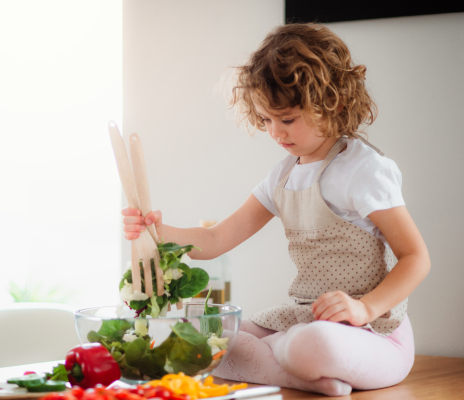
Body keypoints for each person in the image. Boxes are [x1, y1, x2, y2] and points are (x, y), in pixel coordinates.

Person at [121, 23, 430, 396]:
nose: (276, 133)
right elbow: (216, 238)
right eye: (266, 120)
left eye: (287, 119)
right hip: (305, 320)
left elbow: (416, 257)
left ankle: (285, 357)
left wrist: (364, 309)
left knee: (310, 343)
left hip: (375, 336)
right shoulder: (281, 177)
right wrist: (156, 230)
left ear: (335, 103)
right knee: (212, 334)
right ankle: (303, 376)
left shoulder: (363, 170)